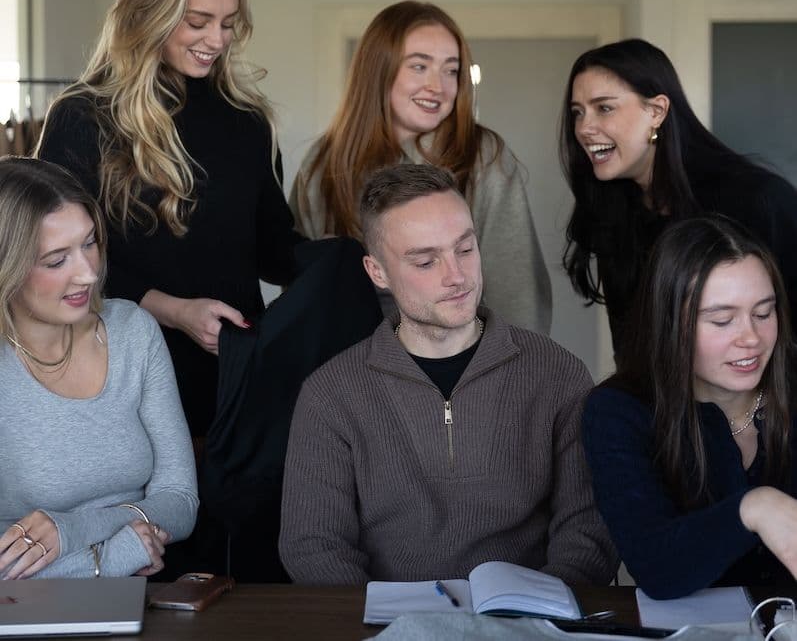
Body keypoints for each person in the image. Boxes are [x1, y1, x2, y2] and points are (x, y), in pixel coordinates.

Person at [279, 163, 617, 585]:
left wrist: (546, 609)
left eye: (465, 249)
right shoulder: (330, 394)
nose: (456, 276)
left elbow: (588, 528)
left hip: (530, 619)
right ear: (378, 273)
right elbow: (314, 545)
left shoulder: (557, 374)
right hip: (386, 626)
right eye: (425, 262)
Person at [36, 0, 303, 437]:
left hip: (231, 382)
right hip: (117, 378)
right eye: (198, 22)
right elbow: (53, 261)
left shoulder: (248, 122)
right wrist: (173, 310)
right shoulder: (83, 117)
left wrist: (362, 256)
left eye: (228, 24)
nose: (217, 41)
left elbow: (275, 251)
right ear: (149, 12)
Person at [290, 0, 551, 334]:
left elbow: (517, 291)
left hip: (463, 372)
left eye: (450, 70)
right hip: (350, 372)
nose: (437, 86)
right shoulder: (323, 163)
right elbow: (303, 296)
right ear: (379, 70)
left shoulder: (484, 156)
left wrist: (510, 374)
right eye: (419, 66)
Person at [0, 157, 198, 579]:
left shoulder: (133, 331)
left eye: (89, 243)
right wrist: (115, 555)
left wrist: (74, 530)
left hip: (145, 599)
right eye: (56, 261)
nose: (89, 274)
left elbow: (179, 500)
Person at [582, 216, 797, 599]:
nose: (751, 338)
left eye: (763, 313)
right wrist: (753, 508)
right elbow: (656, 566)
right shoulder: (618, 412)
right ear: (670, 324)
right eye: (722, 320)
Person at [560, 37, 797, 353]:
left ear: (656, 111)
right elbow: (632, 353)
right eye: (577, 112)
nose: (584, 128)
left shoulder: (758, 200)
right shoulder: (615, 211)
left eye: (604, 108)